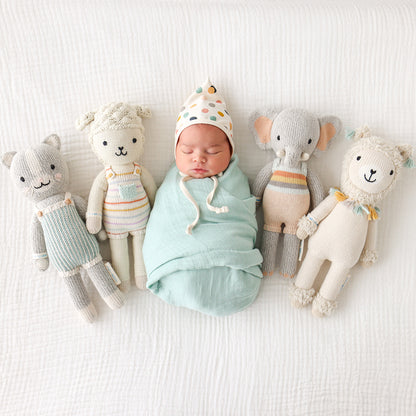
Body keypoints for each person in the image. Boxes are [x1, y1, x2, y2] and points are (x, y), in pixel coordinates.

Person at [143, 80, 263, 316]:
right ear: (175, 150)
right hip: (176, 265)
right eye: (187, 151)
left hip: (231, 262)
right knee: (183, 281)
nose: (198, 158)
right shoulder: (171, 186)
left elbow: (243, 218)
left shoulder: (236, 182)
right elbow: (164, 221)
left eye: (213, 151)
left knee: (235, 278)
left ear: (230, 151)